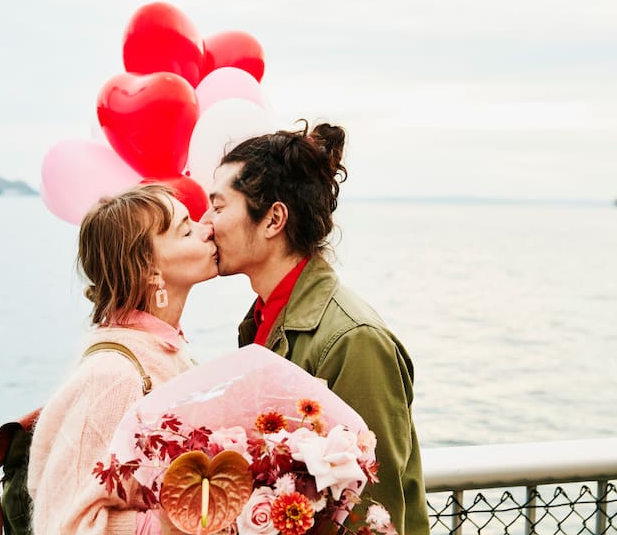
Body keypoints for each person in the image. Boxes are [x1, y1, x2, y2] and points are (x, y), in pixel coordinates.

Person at [201, 121, 430, 534]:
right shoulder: (260, 320)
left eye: (218, 207)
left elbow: (374, 513)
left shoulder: (353, 340)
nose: (205, 224)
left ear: (273, 219)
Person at [27, 183, 218, 535]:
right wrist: (174, 526)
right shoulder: (113, 377)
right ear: (150, 270)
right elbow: (64, 524)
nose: (208, 230)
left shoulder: (165, 350)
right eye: (186, 229)